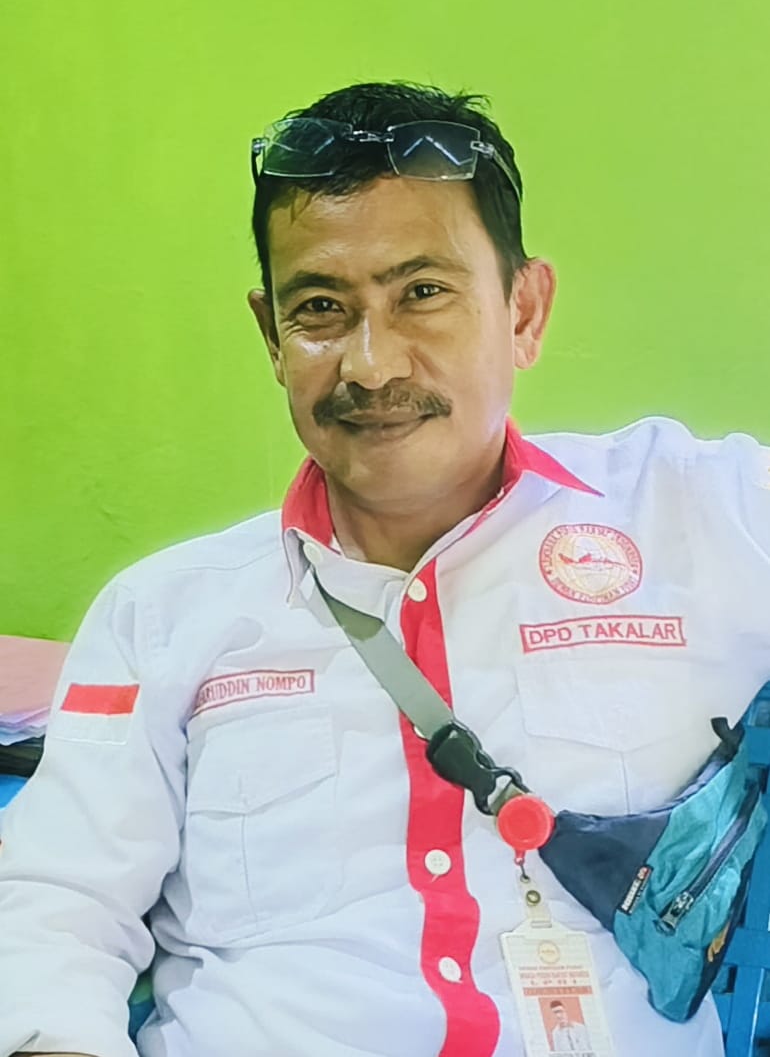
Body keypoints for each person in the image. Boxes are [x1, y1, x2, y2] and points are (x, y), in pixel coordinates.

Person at [0, 79, 768, 1057]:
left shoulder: (699, 516)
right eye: (321, 307)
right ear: (271, 335)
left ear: (523, 310)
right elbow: (56, 911)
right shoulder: (160, 613)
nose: (371, 365)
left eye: (422, 293)